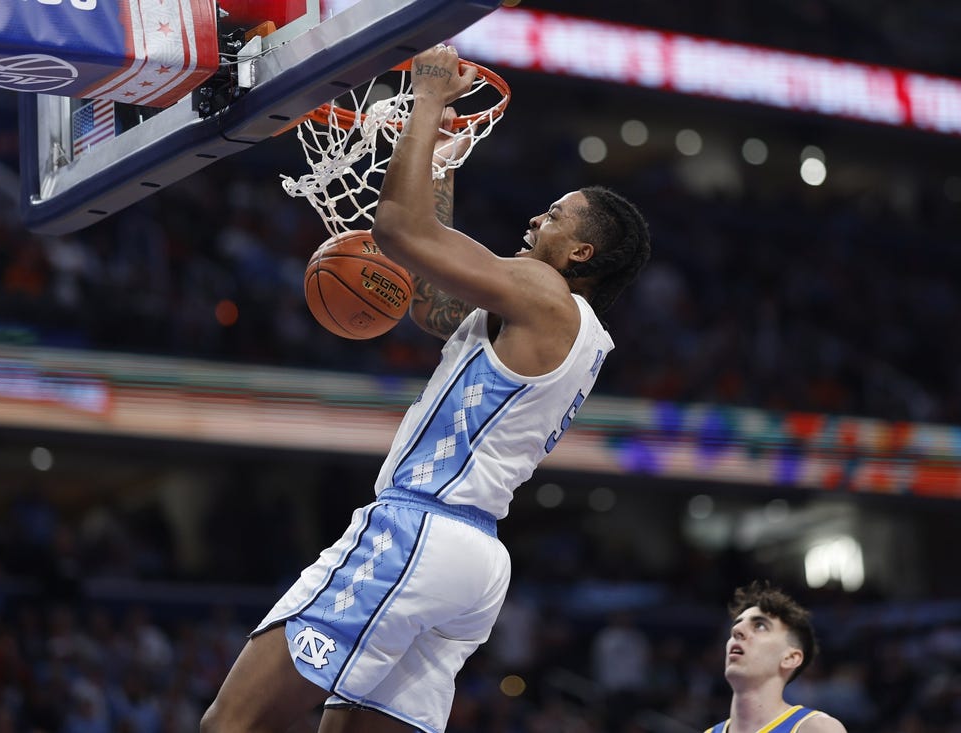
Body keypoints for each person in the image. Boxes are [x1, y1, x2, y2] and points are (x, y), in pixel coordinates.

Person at [201, 44, 650, 733]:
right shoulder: (571, 330)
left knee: (233, 723)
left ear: (582, 252)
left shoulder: (542, 290)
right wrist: (435, 157)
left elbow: (399, 229)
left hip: (418, 528)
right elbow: (433, 305)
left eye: (556, 216)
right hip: (473, 566)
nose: (536, 220)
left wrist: (432, 93)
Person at [705, 581, 847, 733]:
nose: (736, 630)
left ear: (790, 658)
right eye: (737, 624)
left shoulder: (815, 728)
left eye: (760, 626)